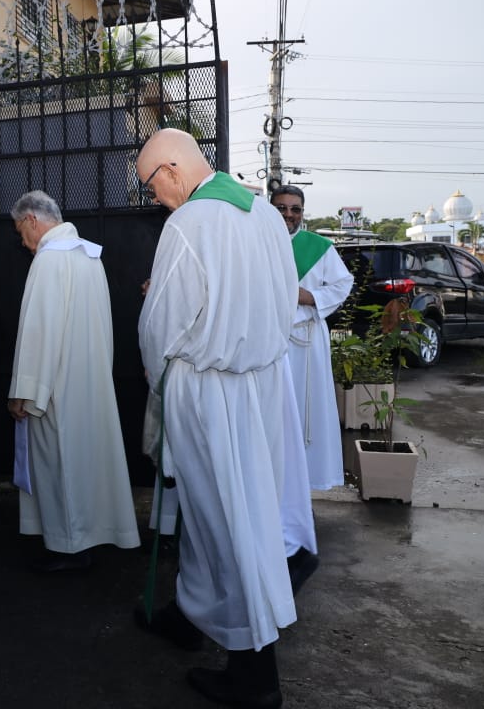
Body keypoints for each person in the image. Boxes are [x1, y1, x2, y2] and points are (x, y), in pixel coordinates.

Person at [136, 129, 298, 709]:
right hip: (259, 387)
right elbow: (285, 302)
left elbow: (162, 328)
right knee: (233, 518)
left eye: (150, 185)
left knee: (226, 527)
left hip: (208, 393)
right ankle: (190, 617)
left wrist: (161, 386)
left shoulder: (188, 225)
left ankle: (256, 677)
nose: (152, 198)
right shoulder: (262, 212)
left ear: (172, 169)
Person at [7, 190, 140, 572]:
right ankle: (86, 535)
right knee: (85, 463)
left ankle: (69, 544)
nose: (23, 242)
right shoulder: (87, 255)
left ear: (32, 220)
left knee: (60, 462)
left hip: (57, 383)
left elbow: (38, 332)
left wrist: (25, 391)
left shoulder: (50, 261)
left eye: (20, 231)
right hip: (89, 378)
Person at [272, 184, 354, 594]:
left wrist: (309, 296)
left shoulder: (318, 246)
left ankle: (300, 503)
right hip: (270, 344)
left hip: (305, 344)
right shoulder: (258, 241)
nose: (289, 215)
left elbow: (342, 285)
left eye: (296, 209)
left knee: (305, 423)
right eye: (282, 208)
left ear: (304, 212)